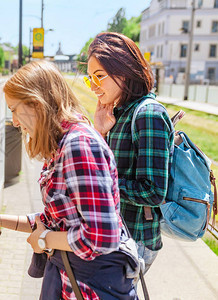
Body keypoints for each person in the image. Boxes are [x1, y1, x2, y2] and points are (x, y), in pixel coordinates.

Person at [0, 60, 137, 299]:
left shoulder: (78, 146)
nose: (14, 121)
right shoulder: (63, 144)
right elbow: (55, 221)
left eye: (14, 109)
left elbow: (101, 236)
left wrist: (45, 240)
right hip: (77, 285)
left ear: (36, 104)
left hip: (90, 289)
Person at [86, 32, 173, 273]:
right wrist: (101, 132)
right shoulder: (119, 114)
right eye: (89, 78)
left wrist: (104, 184)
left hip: (135, 240)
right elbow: (106, 167)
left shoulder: (149, 114)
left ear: (123, 70)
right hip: (116, 236)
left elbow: (153, 191)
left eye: (99, 76)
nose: (93, 86)